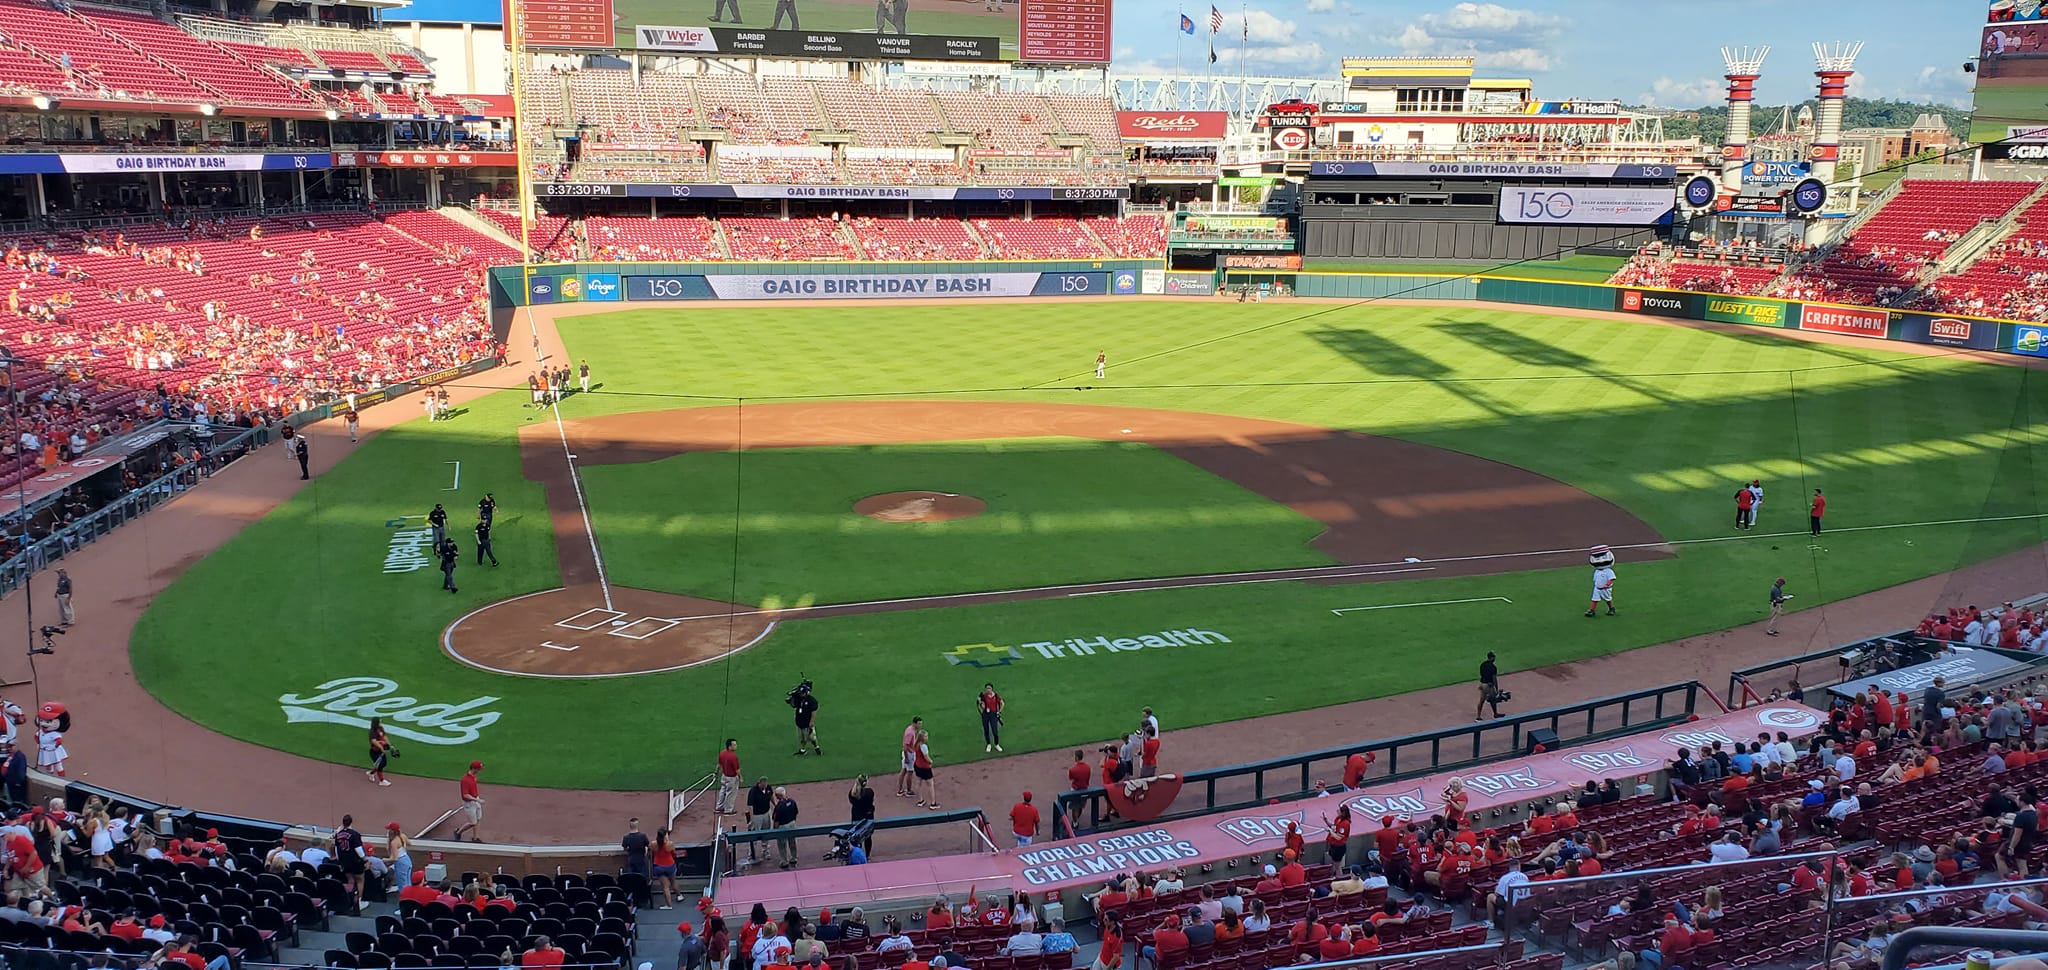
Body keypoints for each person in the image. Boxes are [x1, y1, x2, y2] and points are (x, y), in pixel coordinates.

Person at [452, 761, 484, 842]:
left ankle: (475, 838)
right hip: (469, 804)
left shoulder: (474, 776)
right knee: (472, 823)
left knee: (478, 819)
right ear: (474, 768)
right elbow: (465, 795)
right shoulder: (465, 780)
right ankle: (458, 832)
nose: (479, 771)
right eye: (478, 769)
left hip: (475, 800)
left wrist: (477, 799)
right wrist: (477, 800)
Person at [745, 777, 774, 862]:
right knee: (755, 834)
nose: (765, 786)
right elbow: (750, 806)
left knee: (766, 832)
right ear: (759, 783)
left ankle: (766, 851)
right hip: (757, 816)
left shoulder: (768, 788)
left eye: (766, 784)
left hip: (767, 813)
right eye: (763, 784)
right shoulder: (753, 791)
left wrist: (775, 805)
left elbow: (771, 796)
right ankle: (751, 854)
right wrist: (751, 818)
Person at [772, 787, 800, 869]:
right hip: (792, 824)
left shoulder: (779, 806)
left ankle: (784, 861)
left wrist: (775, 830)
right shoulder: (792, 801)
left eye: (776, 795)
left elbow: (776, 820)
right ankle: (794, 858)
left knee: (782, 844)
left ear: (778, 795)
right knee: (792, 841)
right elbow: (796, 813)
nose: (776, 797)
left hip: (782, 826)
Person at [623, 818, 652, 897]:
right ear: (637, 825)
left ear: (630, 826)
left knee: (631, 879)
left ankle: (633, 896)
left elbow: (625, 848)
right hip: (641, 861)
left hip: (631, 861)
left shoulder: (626, 837)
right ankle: (643, 895)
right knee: (642, 879)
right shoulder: (643, 836)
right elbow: (647, 845)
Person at [651, 828, 679, 909]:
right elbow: (674, 853)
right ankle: (679, 895)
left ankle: (669, 905)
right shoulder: (670, 844)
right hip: (670, 866)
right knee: (673, 881)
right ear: (665, 835)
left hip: (659, 867)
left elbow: (651, 852)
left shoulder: (653, 844)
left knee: (665, 887)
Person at [792, 684, 821, 756]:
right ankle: (803, 750)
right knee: (802, 738)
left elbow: (814, 712)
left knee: (811, 737)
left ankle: (816, 747)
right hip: (799, 721)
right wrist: (792, 697)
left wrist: (811, 722)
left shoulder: (811, 701)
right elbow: (793, 705)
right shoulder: (798, 698)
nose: (801, 694)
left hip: (807, 722)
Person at [898, 716, 922, 798]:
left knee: (904, 770)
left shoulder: (911, 729)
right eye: (919, 724)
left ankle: (900, 790)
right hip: (909, 754)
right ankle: (908, 791)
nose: (920, 725)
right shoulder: (910, 732)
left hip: (908, 753)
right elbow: (905, 746)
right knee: (910, 772)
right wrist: (907, 757)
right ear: (914, 723)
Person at [914, 729, 939, 808]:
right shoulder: (923, 746)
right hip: (925, 768)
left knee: (918, 783)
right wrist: (931, 761)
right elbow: (926, 757)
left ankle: (920, 800)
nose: (927, 737)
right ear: (922, 737)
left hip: (917, 766)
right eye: (926, 736)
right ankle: (933, 803)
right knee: (930, 785)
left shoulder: (916, 745)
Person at [716, 739, 741, 816]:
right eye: (734, 745)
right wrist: (740, 777)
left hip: (724, 776)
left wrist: (716, 772)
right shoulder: (733, 756)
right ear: (730, 746)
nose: (736, 746)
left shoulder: (722, 753)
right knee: (730, 793)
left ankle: (719, 807)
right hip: (731, 778)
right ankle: (728, 810)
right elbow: (737, 770)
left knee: (722, 791)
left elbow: (719, 765)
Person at [385, 823, 412, 892]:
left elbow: (395, 858)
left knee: (402, 884)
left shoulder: (394, 842)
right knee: (408, 881)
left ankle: (404, 899)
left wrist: (384, 860)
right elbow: (410, 844)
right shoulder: (403, 836)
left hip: (400, 862)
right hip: (407, 859)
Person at [978, 683, 1004, 753]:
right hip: (986, 715)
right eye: (987, 688)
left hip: (993, 714)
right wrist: (980, 702)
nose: (988, 690)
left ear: (992, 689)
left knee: (995, 731)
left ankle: (996, 744)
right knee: (986, 730)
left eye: (989, 688)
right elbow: (983, 707)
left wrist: (999, 712)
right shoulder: (984, 696)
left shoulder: (996, 696)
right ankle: (988, 744)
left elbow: (1002, 703)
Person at [1476, 651, 1502, 720]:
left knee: (1481, 700)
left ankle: (1478, 716)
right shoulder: (1493, 667)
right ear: (1491, 657)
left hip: (1482, 684)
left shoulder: (1483, 664)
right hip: (1488, 685)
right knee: (1493, 699)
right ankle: (1495, 714)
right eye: (1494, 657)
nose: (1495, 659)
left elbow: (1481, 674)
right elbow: (1494, 679)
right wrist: (1496, 688)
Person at [367, 717, 392, 786]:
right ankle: (382, 780)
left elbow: (384, 736)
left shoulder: (380, 728)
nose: (381, 721)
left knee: (383, 764)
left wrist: (389, 745)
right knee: (380, 765)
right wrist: (381, 748)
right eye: (379, 720)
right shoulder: (372, 731)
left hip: (381, 751)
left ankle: (371, 773)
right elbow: (374, 741)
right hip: (374, 752)